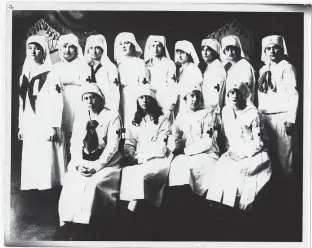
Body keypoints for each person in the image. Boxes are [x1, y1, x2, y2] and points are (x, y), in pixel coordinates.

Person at [57, 83, 122, 240]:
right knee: (73, 179)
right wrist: (79, 164)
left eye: (93, 97)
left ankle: (89, 224)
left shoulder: (112, 116)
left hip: (107, 162)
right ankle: (70, 222)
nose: (90, 101)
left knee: (93, 183)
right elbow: (75, 143)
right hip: (83, 161)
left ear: (100, 99)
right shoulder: (81, 116)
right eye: (86, 98)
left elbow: (113, 145)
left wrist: (96, 166)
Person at [206, 82, 271, 210]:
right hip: (233, 151)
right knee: (220, 167)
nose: (235, 96)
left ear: (244, 94)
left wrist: (242, 154)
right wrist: (232, 151)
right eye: (232, 92)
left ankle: (236, 209)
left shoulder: (254, 114)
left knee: (238, 172)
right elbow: (228, 136)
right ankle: (217, 207)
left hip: (254, 153)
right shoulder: (226, 111)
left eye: (238, 93)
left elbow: (259, 142)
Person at [118, 85, 171, 240]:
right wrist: (128, 153)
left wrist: (139, 158)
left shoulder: (163, 120)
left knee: (142, 175)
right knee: (128, 172)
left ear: (153, 100)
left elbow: (161, 147)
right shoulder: (135, 120)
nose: (144, 101)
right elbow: (131, 141)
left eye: (148, 97)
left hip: (157, 159)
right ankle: (133, 216)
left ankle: (130, 216)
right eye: (141, 97)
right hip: (138, 159)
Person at [18, 35, 66, 191]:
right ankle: (33, 184)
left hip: (46, 119)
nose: (33, 51)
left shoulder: (51, 73)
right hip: (30, 119)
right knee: (33, 151)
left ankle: (49, 186)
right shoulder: (24, 75)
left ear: (44, 51)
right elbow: (22, 103)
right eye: (30, 48)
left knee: (47, 152)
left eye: (37, 48)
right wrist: (21, 126)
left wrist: (54, 126)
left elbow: (58, 101)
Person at [257, 35, 298, 178]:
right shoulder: (262, 70)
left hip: (281, 116)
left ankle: (289, 184)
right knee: (268, 154)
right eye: (268, 48)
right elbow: (261, 94)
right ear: (265, 51)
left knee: (285, 153)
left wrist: (291, 119)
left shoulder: (287, 68)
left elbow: (293, 94)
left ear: (281, 49)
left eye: (275, 48)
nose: (272, 51)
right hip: (265, 116)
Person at [46, 33, 90, 161]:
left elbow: (87, 88)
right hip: (61, 102)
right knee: (63, 134)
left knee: (79, 132)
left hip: (78, 101)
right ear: (59, 48)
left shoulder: (84, 66)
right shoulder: (55, 68)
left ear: (76, 49)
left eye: (71, 47)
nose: (67, 50)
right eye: (64, 46)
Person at [114, 32, 150, 130]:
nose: (123, 46)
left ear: (133, 45)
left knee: (135, 120)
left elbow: (144, 84)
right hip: (122, 96)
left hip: (136, 95)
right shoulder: (117, 65)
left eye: (127, 43)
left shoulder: (139, 63)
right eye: (121, 44)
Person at [144, 35, 177, 123]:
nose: (156, 49)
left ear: (163, 48)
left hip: (164, 99)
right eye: (153, 46)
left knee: (165, 125)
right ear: (149, 47)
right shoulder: (145, 64)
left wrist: (172, 101)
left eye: (159, 46)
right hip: (150, 100)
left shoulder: (169, 64)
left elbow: (172, 84)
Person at [84, 34, 120, 112]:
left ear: (102, 49)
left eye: (97, 48)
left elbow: (114, 90)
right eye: (91, 48)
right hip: (89, 106)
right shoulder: (85, 67)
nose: (93, 51)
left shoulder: (110, 67)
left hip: (107, 105)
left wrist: (112, 109)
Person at [219, 35, 256, 109]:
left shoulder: (244, 65)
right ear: (224, 52)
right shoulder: (230, 68)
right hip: (231, 108)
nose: (230, 52)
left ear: (238, 50)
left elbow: (247, 91)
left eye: (233, 49)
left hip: (242, 108)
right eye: (227, 49)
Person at [174, 40, 203, 115]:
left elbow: (196, 91)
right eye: (177, 53)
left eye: (182, 53)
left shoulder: (193, 69)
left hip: (190, 103)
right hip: (180, 102)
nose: (179, 56)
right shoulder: (180, 70)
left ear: (188, 53)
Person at [200, 38, 226, 110]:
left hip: (214, 109)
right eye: (203, 50)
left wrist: (216, 109)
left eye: (208, 50)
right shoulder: (209, 67)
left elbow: (219, 92)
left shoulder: (217, 68)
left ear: (214, 52)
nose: (204, 53)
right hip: (207, 106)